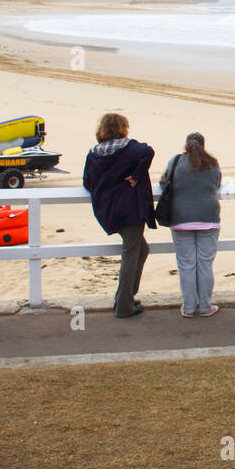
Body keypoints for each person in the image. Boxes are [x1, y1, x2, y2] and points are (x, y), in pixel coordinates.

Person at [82, 112, 156, 318]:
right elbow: (148, 151)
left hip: (107, 210)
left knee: (142, 250)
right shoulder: (130, 148)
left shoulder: (94, 153)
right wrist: (135, 176)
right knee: (131, 253)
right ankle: (124, 305)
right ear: (123, 128)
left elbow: (87, 182)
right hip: (130, 208)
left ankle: (126, 296)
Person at [168, 132, 222, 318]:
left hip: (181, 217)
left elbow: (165, 181)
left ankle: (189, 307)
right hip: (208, 216)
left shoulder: (176, 162)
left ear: (186, 144)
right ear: (203, 145)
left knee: (186, 264)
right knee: (205, 264)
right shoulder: (212, 163)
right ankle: (206, 306)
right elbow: (217, 183)